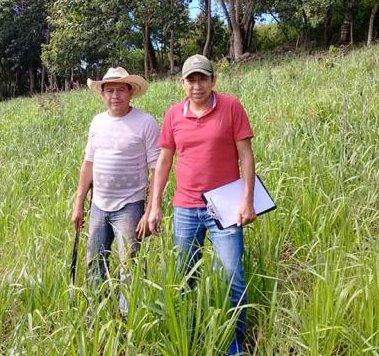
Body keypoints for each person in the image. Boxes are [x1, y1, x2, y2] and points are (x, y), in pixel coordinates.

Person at [147, 55, 256, 355]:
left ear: (213, 80)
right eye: (191, 80)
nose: (197, 85)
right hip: (185, 209)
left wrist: (247, 199)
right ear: (181, 83)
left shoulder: (231, 107)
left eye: (202, 79)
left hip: (225, 206)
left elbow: (245, 155)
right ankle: (191, 335)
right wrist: (155, 205)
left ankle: (234, 342)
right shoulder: (172, 115)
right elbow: (165, 161)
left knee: (233, 276)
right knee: (184, 278)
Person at [71, 66, 160, 315]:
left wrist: (150, 209)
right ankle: (96, 314)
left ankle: (127, 317)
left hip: (130, 206)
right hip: (98, 204)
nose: (115, 95)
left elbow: (157, 168)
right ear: (102, 94)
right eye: (109, 90)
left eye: (121, 90)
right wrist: (79, 203)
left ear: (131, 92)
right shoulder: (97, 122)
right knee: (93, 262)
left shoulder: (145, 122)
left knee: (129, 264)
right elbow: (88, 163)